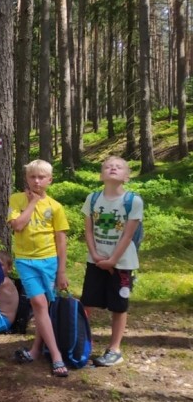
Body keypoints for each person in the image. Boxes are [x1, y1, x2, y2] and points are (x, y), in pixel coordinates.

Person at [8, 159, 70, 377]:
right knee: (38, 303)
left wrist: (62, 271)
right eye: (32, 177)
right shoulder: (16, 199)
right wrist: (32, 203)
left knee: (44, 307)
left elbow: (61, 240)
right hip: (26, 261)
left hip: (49, 261)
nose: (36, 181)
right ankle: (56, 355)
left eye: (41, 177)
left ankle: (36, 349)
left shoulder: (56, 207)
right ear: (26, 178)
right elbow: (17, 225)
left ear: (49, 180)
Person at [81, 156, 143, 367]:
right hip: (96, 260)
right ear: (101, 175)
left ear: (127, 176)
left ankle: (115, 348)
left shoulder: (133, 201)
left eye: (118, 167)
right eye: (108, 166)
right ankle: (80, 341)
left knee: (119, 305)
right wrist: (95, 254)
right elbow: (88, 230)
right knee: (87, 302)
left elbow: (128, 235)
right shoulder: (92, 198)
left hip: (122, 263)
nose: (113, 168)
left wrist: (113, 260)